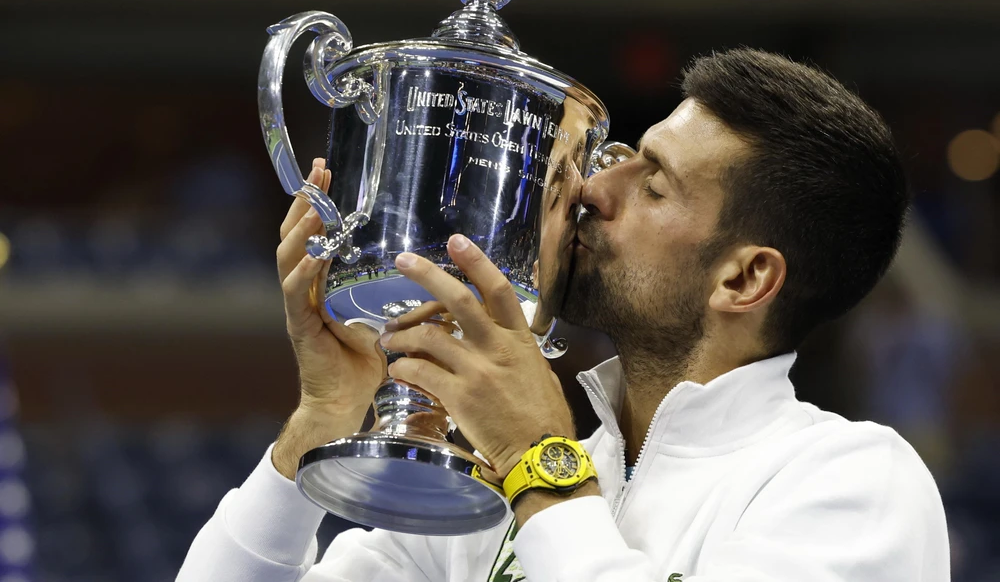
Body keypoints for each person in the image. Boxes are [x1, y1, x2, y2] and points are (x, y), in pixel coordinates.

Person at [177, 48, 949, 581]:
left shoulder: (855, 483)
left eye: (653, 187)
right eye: (621, 158)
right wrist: (321, 417)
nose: (590, 192)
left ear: (744, 277)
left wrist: (539, 459)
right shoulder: (489, 507)